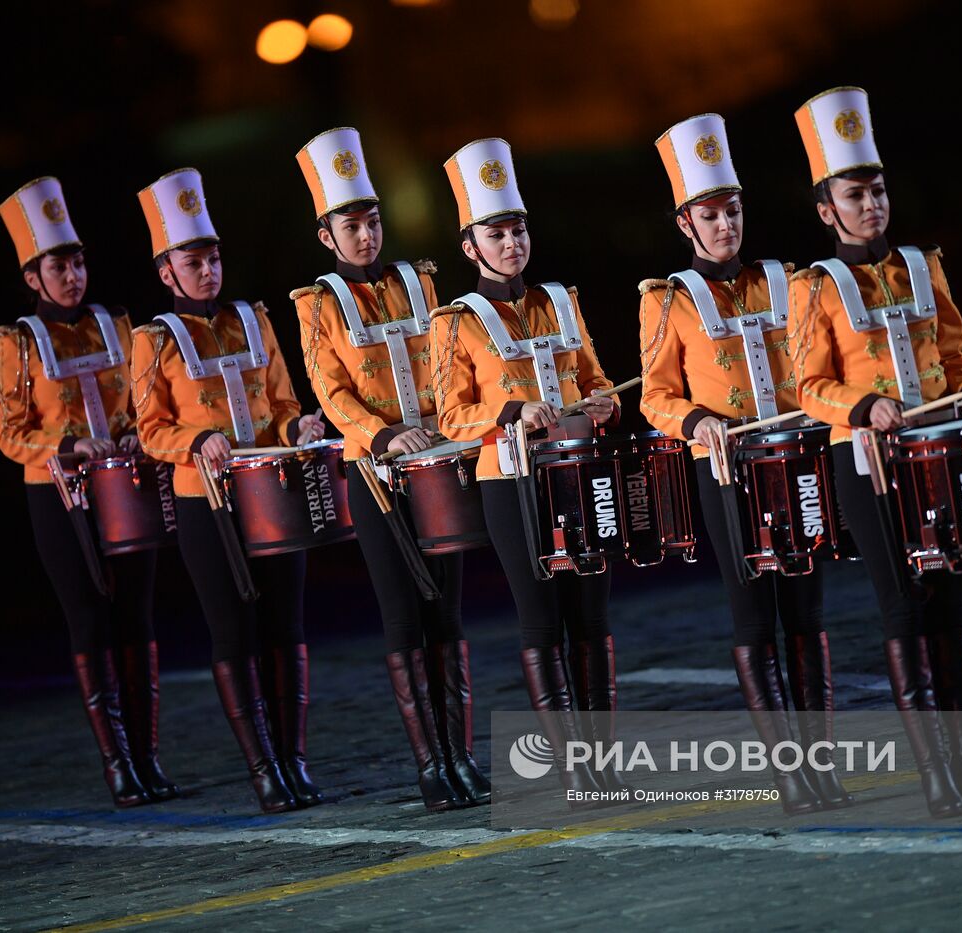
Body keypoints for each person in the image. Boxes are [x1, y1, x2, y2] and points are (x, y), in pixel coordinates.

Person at [787, 87, 962, 816]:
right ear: (827, 209)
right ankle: (935, 775)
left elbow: (954, 356)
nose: (873, 205)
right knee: (904, 609)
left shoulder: (924, 266)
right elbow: (805, 383)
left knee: (952, 605)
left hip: (938, 456)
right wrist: (863, 407)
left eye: (878, 191)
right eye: (856, 195)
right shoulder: (813, 286)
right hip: (869, 465)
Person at [638, 114, 850, 813]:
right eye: (710, 214)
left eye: (732, 211)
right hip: (726, 470)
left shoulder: (786, 281)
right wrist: (698, 420)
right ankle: (790, 769)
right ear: (685, 223)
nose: (725, 225)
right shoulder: (665, 299)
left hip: (794, 459)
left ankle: (820, 758)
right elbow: (656, 396)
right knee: (755, 612)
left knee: (807, 606)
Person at [290, 127, 490, 811]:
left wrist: (440, 426)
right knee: (404, 617)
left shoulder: (419, 280)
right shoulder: (315, 303)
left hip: (436, 462)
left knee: (449, 611)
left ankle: (462, 752)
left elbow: (442, 358)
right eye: (353, 225)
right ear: (327, 236)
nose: (367, 235)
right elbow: (328, 387)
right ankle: (431, 762)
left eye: (373, 221)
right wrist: (382, 436)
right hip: (375, 474)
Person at [430, 138, 622, 800]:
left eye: (517, 230)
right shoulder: (454, 321)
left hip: (576, 472)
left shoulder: (561, 301)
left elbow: (597, 380)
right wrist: (511, 408)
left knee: (590, 612)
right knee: (542, 616)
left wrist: (604, 401)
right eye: (496, 233)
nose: (511, 243)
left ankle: (604, 755)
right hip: (509, 482)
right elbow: (452, 417)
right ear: (470, 245)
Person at [131, 168, 327, 812]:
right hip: (205, 504)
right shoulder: (153, 340)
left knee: (287, 625)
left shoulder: (253, 319)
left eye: (214, 258)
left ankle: (295, 758)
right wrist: (194, 441)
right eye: (194, 261)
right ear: (167, 271)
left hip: (268, 489)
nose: (209, 270)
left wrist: (298, 422)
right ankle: (263, 766)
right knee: (233, 631)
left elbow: (281, 399)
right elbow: (150, 429)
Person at [0, 176, 178, 808]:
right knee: (88, 618)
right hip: (58, 495)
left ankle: (148, 756)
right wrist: (68, 451)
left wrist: (131, 437)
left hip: (123, 485)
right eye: (57, 266)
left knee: (136, 616)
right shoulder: (16, 343)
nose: (72, 275)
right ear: (32, 277)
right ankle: (117, 762)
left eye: (76, 262)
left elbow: (144, 399)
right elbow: (10, 433)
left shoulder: (115, 324)